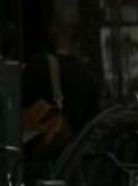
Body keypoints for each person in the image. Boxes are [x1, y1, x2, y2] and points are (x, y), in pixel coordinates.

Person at [21, 10, 102, 159]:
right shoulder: (87, 75)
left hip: (40, 155)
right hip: (72, 159)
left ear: (54, 30)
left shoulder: (38, 65)